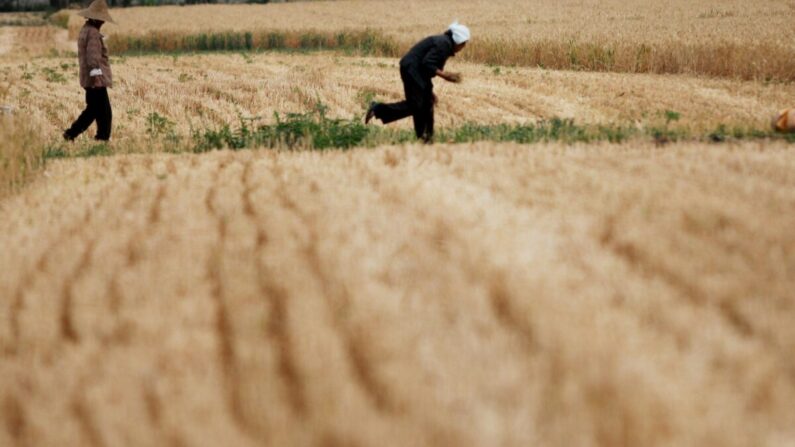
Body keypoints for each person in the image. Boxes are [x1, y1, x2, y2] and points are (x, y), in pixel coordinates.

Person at [365, 22, 470, 143]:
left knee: (427, 103)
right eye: (464, 43)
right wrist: (445, 75)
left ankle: (427, 138)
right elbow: (428, 64)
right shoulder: (444, 44)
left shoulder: (444, 43)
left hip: (416, 70)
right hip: (412, 69)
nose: (464, 46)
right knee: (416, 106)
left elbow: (426, 69)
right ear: (458, 41)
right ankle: (377, 109)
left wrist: (429, 92)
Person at [63, 0, 115, 142]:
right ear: (96, 19)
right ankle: (98, 138)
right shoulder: (92, 32)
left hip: (89, 78)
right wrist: (96, 76)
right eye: (102, 20)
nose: (103, 22)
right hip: (95, 79)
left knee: (94, 110)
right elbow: (92, 57)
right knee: (103, 112)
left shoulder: (86, 29)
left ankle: (73, 134)